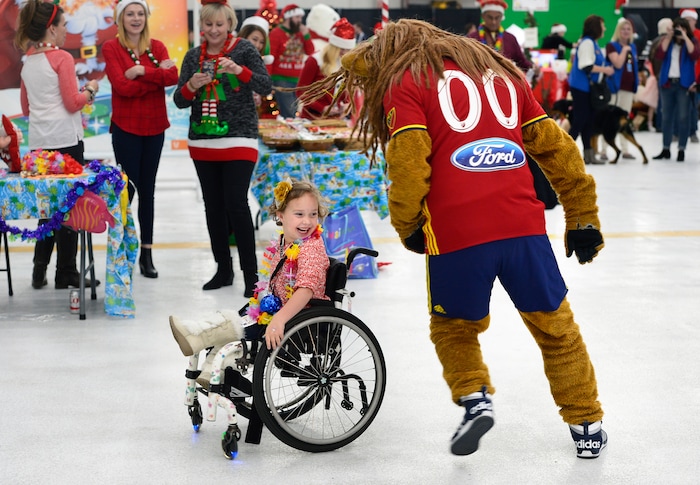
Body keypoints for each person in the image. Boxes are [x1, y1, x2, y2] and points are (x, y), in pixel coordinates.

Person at [302, 18, 607, 459]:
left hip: (456, 230)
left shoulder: (407, 79)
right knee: (557, 328)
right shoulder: (503, 73)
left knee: (453, 329)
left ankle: (475, 396)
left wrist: (407, 224)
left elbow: (408, 164)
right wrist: (582, 215)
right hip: (523, 226)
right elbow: (555, 146)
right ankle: (587, 424)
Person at [173, 0, 272, 295]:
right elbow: (180, 100)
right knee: (213, 207)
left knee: (237, 205)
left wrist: (239, 70)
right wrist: (191, 85)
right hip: (203, 142)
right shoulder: (192, 57)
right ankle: (223, 269)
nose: (214, 30)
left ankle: (251, 276)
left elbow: (265, 86)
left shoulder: (243, 50)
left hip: (240, 139)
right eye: (209, 24)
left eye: (220, 24)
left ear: (229, 24)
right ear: (201, 26)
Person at [169, 179, 330, 359]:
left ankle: (196, 335)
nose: (307, 221)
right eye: (299, 214)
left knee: (237, 328)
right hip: (276, 307)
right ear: (281, 216)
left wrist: (279, 319)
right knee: (236, 320)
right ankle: (210, 373)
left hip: (299, 318)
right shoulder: (285, 242)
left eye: (313, 214)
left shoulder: (311, 248)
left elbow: (305, 291)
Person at [16, 0, 100, 290]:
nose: (66, 30)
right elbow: (72, 101)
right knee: (69, 207)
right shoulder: (62, 58)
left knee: (46, 208)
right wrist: (90, 90)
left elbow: (26, 108)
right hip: (66, 142)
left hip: (39, 144)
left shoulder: (29, 61)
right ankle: (66, 271)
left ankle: (39, 269)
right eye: (63, 25)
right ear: (51, 28)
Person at [103, 0, 178, 279]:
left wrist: (142, 72)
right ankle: (123, 249)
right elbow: (120, 87)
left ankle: (146, 254)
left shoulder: (156, 47)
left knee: (148, 191)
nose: (136, 19)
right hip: (126, 128)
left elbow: (172, 76)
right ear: (120, 18)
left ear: (146, 17)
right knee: (127, 192)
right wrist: (154, 79)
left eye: (140, 14)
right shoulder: (111, 48)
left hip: (155, 127)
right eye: (130, 14)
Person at [567, 15, 615, 165]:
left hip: (586, 88)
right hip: (581, 87)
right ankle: (562, 152)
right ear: (596, 27)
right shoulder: (587, 43)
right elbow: (585, 65)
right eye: (603, 25)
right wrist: (605, 70)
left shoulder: (592, 43)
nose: (605, 28)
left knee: (587, 122)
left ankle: (589, 155)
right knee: (580, 121)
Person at [652, 16, 699, 162]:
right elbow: (659, 54)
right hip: (667, 84)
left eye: (681, 28)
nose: (678, 31)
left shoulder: (691, 42)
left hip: (683, 84)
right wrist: (669, 35)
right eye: (676, 28)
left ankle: (681, 149)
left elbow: (695, 54)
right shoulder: (668, 42)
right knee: (666, 117)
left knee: (683, 117)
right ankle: (665, 148)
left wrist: (685, 36)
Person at [296, 17, 355, 119]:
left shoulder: (348, 64)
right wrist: (321, 108)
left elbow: (348, 91)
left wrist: (347, 104)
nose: (344, 53)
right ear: (334, 46)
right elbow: (301, 91)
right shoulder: (315, 60)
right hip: (312, 118)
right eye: (341, 49)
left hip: (336, 121)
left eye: (348, 49)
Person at [601, 18, 638, 160]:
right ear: (618, 31)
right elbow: (617, 64)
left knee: (624, 119)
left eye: (629, 29)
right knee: (609, 119)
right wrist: (625, 50)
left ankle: (625, 149)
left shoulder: (633, 47)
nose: (626, 32)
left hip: (628, 88)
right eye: (623, 29)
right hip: (614, 88)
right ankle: (604, 150)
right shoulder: (612, 46)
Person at [268, 4, 314, 118]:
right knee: (290, 113)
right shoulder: (276, 33)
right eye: (297, 17)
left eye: (300, 18)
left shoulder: (300, 32)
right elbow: (270, 57)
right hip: (282, 79)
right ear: (289, 17)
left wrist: (306, 35)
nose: (300, 20)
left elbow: (310, 52)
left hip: (298, 80)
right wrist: (267, 79)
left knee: (294, 112)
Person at [468, 0, 534, 74]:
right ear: (483, 16)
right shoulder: (472, 39)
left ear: (502, 17)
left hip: (505, 82)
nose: (494, 22)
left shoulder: (510, 39)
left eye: (497, 18)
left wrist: (533, 69)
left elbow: (522, 63)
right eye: (490, 17)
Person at [679, 8, 700, 143]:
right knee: (679, 107)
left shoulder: (698, 35)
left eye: (689, 20)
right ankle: (678, 132)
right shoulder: (679, 36)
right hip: (682, 75)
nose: (687, 23)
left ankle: (693, 131)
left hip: (696, 75)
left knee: (694, 106)